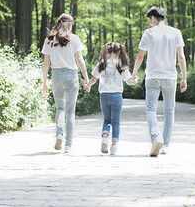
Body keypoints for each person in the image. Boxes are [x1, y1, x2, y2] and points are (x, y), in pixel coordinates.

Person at [132, 6, 187, 157]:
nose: (150, 22)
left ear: (153, 18)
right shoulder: (176, 32)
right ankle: (166, 145)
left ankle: (156, 137)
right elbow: (181, 57)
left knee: (151, 109)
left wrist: (134, 74)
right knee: (169, 111)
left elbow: (140, 56)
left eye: (150, 19)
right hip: (170, 76)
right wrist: (184, 78)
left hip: (152, 76)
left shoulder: (148, 33)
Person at [42, 14, 89, 153]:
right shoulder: (74, 39)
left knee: (60, 108)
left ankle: (59, 134)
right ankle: (68, 145)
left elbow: (46, 63)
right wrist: (86, 78)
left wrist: (44, 82)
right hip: (71, 76)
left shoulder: (49, 39)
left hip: (56, 76)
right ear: (69, 24)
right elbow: (80, 60)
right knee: (70, 112)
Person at [83, 42, 136, 155]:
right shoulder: (121, 65)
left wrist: (87, 86)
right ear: (119, 52)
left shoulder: (102, 64)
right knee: (115, 122)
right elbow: (128, 82)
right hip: (116, 96)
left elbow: (94, 79)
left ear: (107, 51)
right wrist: (134, 81)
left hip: (104, 96)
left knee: (107, 120)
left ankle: (105, 138)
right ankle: (114, 147)